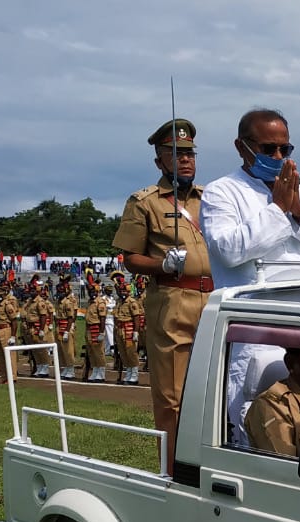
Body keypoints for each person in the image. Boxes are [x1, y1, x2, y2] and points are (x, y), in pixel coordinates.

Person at [201, 108, 300, 441]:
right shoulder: (222, 191)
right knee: (255, 421)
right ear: (242, 147)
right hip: (257, 329)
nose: (278, 156)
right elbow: (229, 249)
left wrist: (297, 210)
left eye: (286, 149)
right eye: (269, 149)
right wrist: (278, 210)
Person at [111, 119, 213, 456]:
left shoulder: (210, 200)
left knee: (219, 389)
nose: (186, 160)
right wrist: (162, 264)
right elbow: (130, 258)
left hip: (216, 299)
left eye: (190, 154)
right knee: (173, 396)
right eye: (176, 154)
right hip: (174, 300)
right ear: (160, 161)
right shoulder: (145, 202)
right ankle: (172, 469)